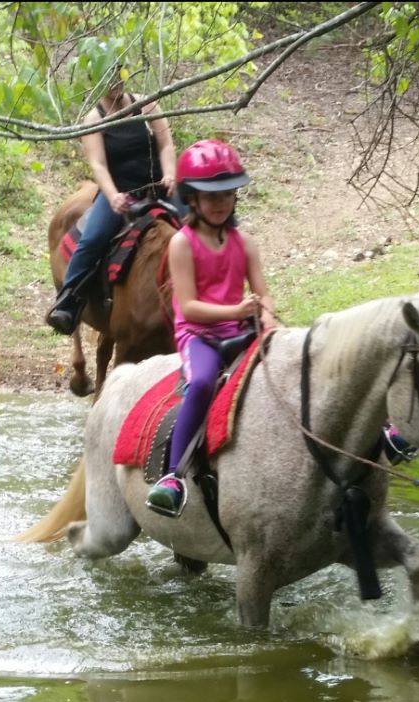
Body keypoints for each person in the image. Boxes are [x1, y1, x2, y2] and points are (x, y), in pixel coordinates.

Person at [146, 139, 276, 516]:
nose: (221, 203)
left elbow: (263, 294)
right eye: (211, 196)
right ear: (192, 199)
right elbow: (188, 306)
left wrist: (266, 315)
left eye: (228, 194)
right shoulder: (182, 245)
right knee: (202, 382)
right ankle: (172, 476)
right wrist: (238, 308)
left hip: (240, 331)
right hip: (199, 336)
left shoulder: (245, 242)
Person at [46, 64, 177, 335]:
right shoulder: (94, 119)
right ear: (96, 80)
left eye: (119, 74)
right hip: (120, 193)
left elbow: (166, 145)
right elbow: (98, 164)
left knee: (202, 221)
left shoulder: (147, 104)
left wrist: (171, 173)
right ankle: (69, 300)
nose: (116, 82)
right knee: (93, 238)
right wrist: (112, 195)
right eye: (108, 77)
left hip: (158, 187)